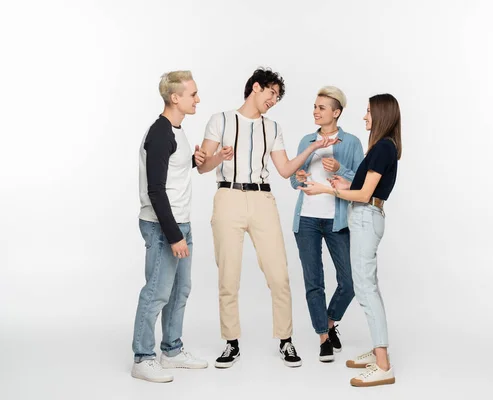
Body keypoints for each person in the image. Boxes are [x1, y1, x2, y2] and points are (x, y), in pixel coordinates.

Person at [195, 67, 338, 368]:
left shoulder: (272, 127)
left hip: (262, 199)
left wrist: (313, 147)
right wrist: (218, 158)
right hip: (228, 196)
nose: (274, 100)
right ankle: (230, 342)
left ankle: (286, 340)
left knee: (279, 274)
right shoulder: (219, 120)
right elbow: (203, 167)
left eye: (277, 97)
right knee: (228, 275)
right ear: (256, 88)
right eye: (272, 93)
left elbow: (285, 170)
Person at [299, 93, 401, 387]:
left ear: (381, 115)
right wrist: (345, 183)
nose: (365, 117)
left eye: (369, 112)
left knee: (365, 290)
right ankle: (379, 351)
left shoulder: (382, 147)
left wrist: (325, 189)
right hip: (368, 216)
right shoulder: (382, 147)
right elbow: (363, 187)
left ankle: (383, 365)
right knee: (368, 287)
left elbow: (364, 195)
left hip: (367, 217)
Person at [131, 71, 208, 383]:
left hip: (181, 222)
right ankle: (143, 357)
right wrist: (174, 235)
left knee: (180, 290)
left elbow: (172, 169)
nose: (197, 99)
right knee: (156, 292)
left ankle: (171, 351)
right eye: (193, 94)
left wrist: (197, 159)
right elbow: (155, 190)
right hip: (164, 226)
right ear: (175, 97)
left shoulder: (176, 130)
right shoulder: (160, 133)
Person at [289, 86, 364, 362]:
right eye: (315, 106)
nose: (315, 111)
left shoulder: (352, 142)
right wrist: (298, 176)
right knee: (314, 282)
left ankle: (330, 321)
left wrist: (339, 170)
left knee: (349, 281)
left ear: (336, 112)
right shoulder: (307, 140)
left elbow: (362, 182)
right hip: (307, 219)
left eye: (321, 107)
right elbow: (294, 181)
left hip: (337, 220)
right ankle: (323, 337)